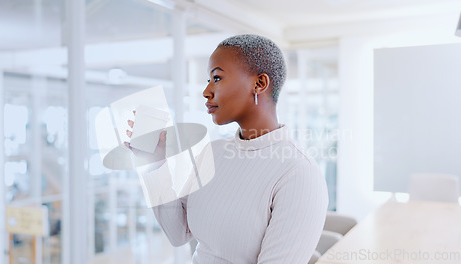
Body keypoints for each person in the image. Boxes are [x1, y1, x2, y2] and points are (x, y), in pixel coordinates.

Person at [125, 34, 328, 263]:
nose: (206, 91)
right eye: (208, 80)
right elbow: (178, 233)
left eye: (217, 78)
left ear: (259, 84)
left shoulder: (298, 172)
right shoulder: (212, 152)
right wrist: (156, 163)